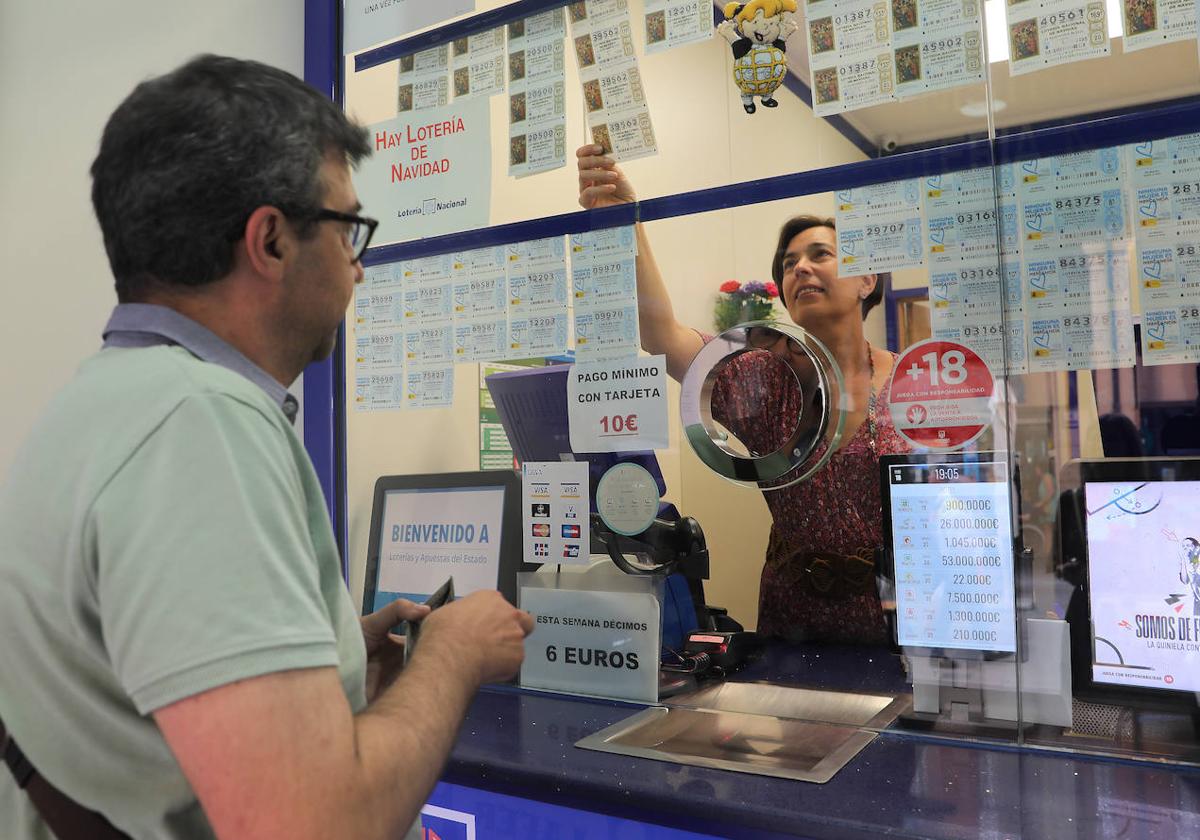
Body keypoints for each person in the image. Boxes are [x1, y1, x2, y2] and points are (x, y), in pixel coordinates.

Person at [0, 55, 533, 840]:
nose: (358, 268)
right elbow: (311, 824)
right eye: (349, 229)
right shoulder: (200, 426)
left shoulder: (103, 405)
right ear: (272, 241)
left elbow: (138, 685)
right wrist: (449, 658)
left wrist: (330, 657)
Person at [577, 144, 911, 644]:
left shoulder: (914, 382)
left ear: (868, 278)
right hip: (791, 620)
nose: (799, 268)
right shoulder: (765, 380)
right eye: (788, 262)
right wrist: (627, 220)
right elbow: (661, 335)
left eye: (820, 255)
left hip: (898, 617)